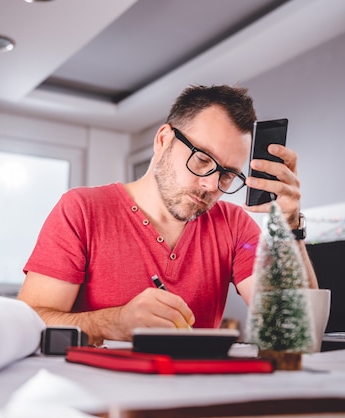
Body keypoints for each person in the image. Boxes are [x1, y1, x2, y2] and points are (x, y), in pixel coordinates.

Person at [18, 84, 318, 346]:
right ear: (163, 140)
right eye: (202, 160)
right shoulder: (82, 210)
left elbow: (295, 328)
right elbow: (28, 325)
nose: (211, 185)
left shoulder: (234, 225)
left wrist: (289, 225)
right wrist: (114, 323)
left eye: (228, 175)